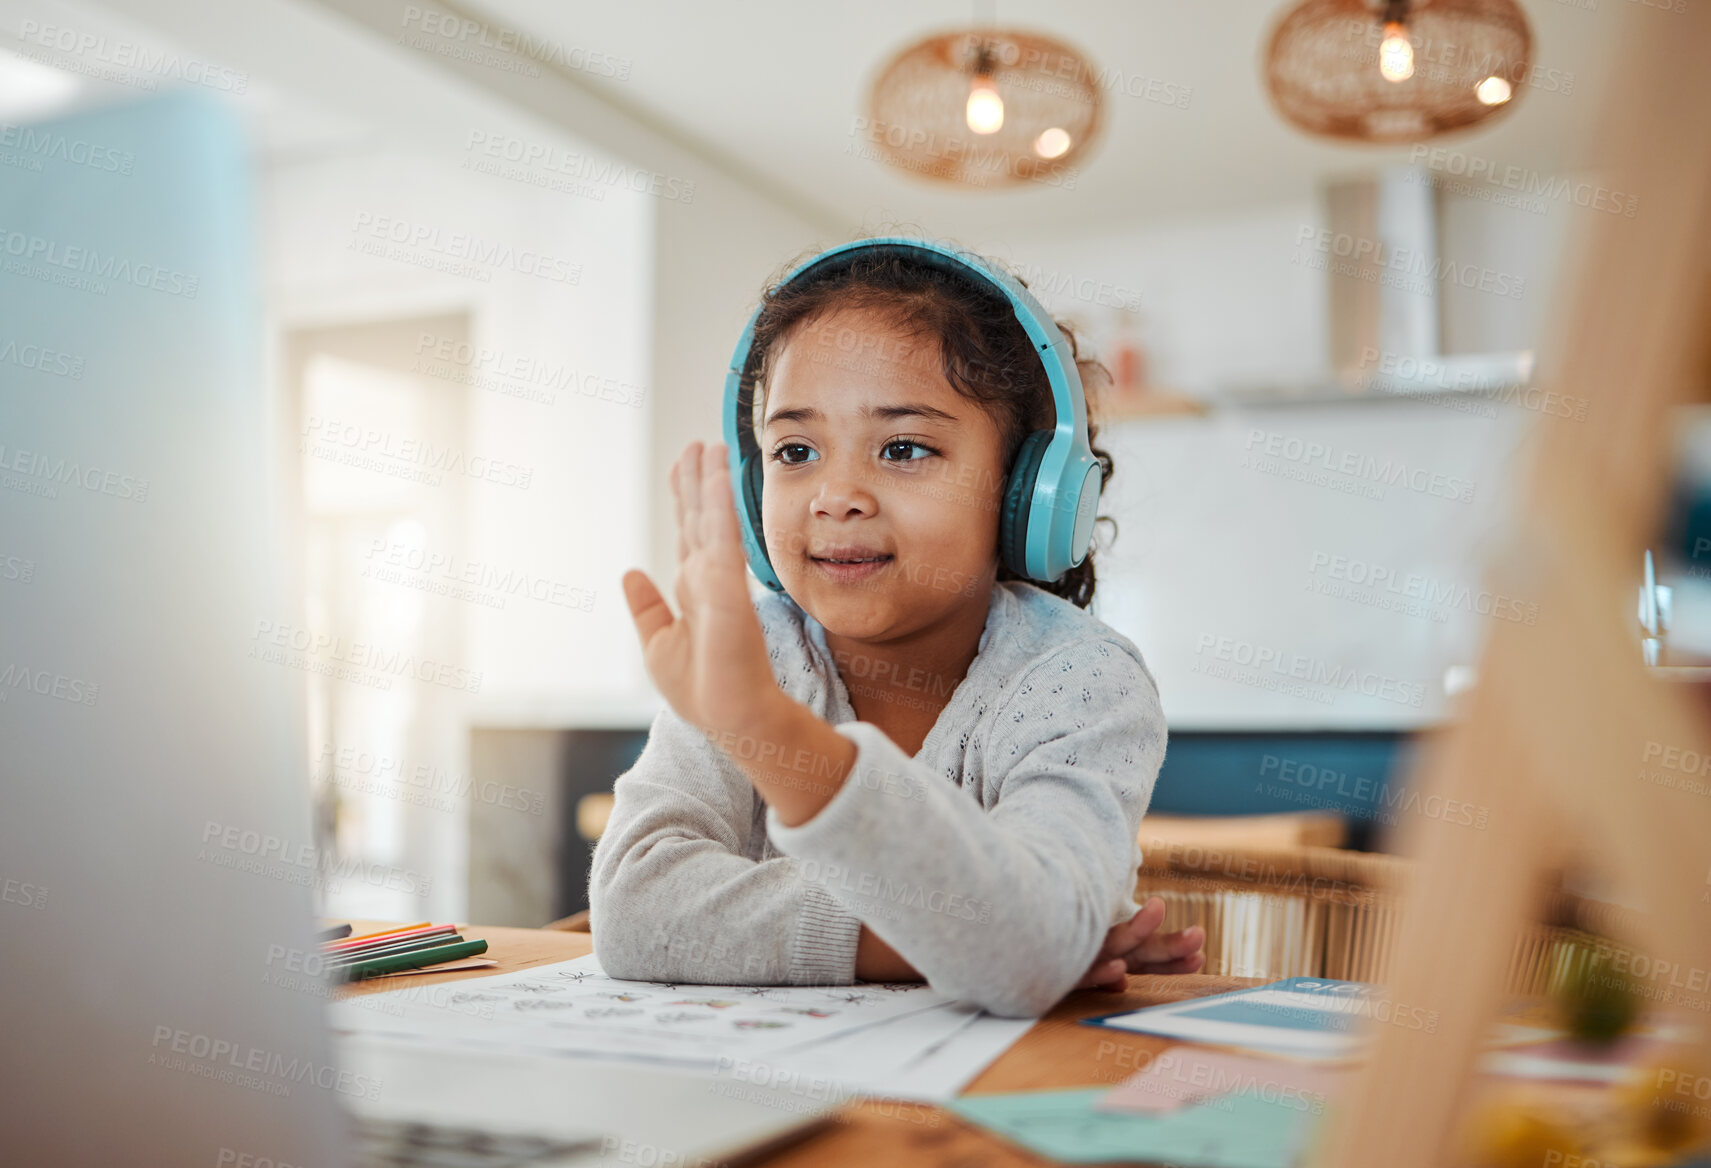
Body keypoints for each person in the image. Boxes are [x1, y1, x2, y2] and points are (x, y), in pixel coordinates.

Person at [589, 242, 1204, 1018]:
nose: (836, 495)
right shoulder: (751, 655)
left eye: (904, 447)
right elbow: (635, 911)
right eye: (796, 451)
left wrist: (761, 728)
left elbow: (1029, 948)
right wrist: (950, 938)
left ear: (1024, 493)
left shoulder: (1080, 680)